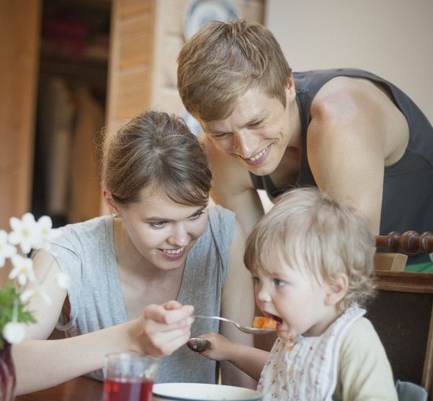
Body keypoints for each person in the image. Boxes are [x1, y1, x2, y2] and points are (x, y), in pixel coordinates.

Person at [12, 110, 255, 395]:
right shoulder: (67, 254)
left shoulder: (223, 237)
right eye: (158, 223)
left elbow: (241, 386)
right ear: (112, 202)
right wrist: (131, 337)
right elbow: (1, 370)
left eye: (195, 214)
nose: (180, 239)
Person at [177, 19, 433, 270]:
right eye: (221, 134)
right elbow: (254, 264)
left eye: (256, 122)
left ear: (288, 86)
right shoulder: (216, 153)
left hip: (420, 265)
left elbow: (351, 264)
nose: (245, 148)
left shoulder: (341, 120)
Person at [195, 188, 400, 401]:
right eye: (257, 279)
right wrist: (229, 351)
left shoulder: (352, 337)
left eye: (278, 282)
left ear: (333, 288)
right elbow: (281, 374)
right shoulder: (296, 330)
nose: (262, 295)